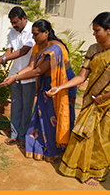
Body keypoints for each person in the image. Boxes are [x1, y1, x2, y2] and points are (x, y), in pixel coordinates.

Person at [0, 19, 77, 162]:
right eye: (32, 35)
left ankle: (59, 150)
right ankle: (45, 146)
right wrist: (14, 76)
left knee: (58, 116)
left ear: (46, 33)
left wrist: (15, 78)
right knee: (44, 116)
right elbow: (31, 67)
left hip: (62, 83)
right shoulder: (38, 46)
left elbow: (38, 71)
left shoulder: (56, 49)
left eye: (35, 35)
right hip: (46, 83)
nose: (33, 38)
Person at [46, 12, 110, 186]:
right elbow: (82, 76)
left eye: (97, 30)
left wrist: (104, 97)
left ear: (109, 30)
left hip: (107, 102)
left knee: (102, 139)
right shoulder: (92, 49)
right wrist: (60, 87)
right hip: (91, 99)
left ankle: (95, 172)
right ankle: (77, 167)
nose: (94, 34)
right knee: (83, 134)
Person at [0, 6, 36, 148]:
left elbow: (24, 51)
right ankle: (14, 135)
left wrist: (1, 59)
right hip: (14, 74)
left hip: (28, 75)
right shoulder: (12, 32)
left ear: (24, 19)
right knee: (16, 105)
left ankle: (23, 136)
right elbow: (9, 51)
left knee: (27, 107)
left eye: (16, 22)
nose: (14, 25)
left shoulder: (32, 30)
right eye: (12, 23)